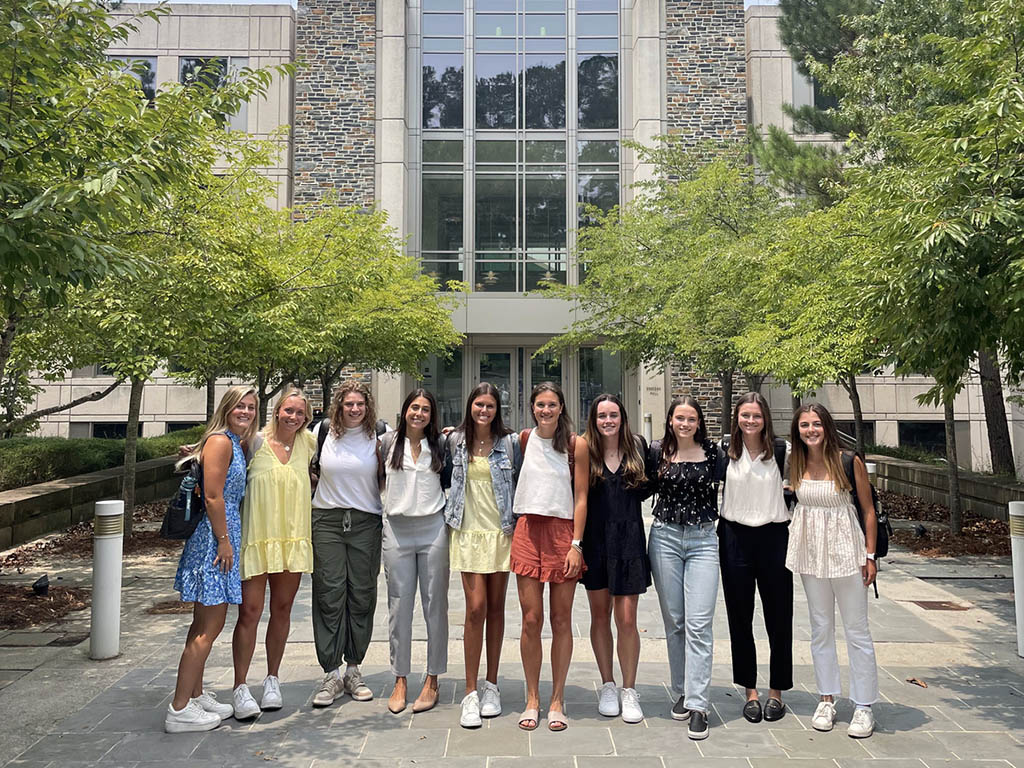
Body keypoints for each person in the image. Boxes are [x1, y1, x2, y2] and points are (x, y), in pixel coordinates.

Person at [165, 386, 257, 733]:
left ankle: (196, 694)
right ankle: (179, 708)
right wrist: (224, 541)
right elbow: (214, 495)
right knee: (208, 629)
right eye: (239, 406)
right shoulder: (221, 441)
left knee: (200, 625)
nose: (245, 411)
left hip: (219, 536)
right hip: (214, 540)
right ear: (227, 408)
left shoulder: (228, 441)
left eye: (250, 407)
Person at [786, 403, 879, 739]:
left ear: (826, 426)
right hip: (811, 552)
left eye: (816, 424)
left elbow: (868, 510)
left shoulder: (847, 460)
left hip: (846, 550)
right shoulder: (795, 462)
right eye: (804, 425)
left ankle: (864, 704)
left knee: (857, 629)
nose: (811, 430)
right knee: (820, 627)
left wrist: (870, 556)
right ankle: (826, 698)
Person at [230, 387, 315, 719]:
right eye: (288, 411)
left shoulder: (308, 444)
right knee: (249, 612)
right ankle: (240, 686)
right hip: (257, 539)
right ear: (277, 410)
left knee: (282, 610)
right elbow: (222, 454)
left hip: (292, 540)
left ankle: (272, 679)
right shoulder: (254, 442)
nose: (293, 417)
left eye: (300, 413)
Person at [510, 381, 587, 733]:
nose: (546, 410)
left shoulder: (575, 445)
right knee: (530, 619)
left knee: (560, 619)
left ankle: (557, 699)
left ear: (561, 407)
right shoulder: (524, 440)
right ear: (532, 407)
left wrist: (576, 544)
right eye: (540, 404)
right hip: (527, 529)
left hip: (562, 533)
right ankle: (532, 697)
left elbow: (582, 497)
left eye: (552, 404)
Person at [647, 396, 724, 741]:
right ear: (670, 420)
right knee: (675, 621)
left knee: (699, 623)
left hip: (704, 540)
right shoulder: (657, 451)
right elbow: (638, 484)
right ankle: (681, 689)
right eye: (679, 418)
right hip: (664, 537)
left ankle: (699, 704)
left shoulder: (714, 453)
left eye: (691, 418)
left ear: (699, 422)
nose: (685, 424)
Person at [442, 383, 519, 729]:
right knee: (475, 609)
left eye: (489, 405)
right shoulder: (455, 441)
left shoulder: (510, 443)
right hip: (468, 532)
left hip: (500, 533)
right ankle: (470, 691)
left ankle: (492, 685)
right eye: (478, 404)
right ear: (470, 406)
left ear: (497, 409)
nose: (483, 410)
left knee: (497, 608)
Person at [575, 394, 652, 724]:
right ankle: (607, 684)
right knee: (599, 615)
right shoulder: (584, 450)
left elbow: (652, 484)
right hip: (595, 541)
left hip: (629, 540)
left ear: (622, 417)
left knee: (627, 619)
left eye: (613, 415)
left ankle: (628, 689)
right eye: (602, 415)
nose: (608, 420)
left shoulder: (638, 447)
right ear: (593, 419)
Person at [718, 392, 793, 724]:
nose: (750, 421)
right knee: (740, 616)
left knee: (778, 617)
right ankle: (749, 690)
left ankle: (776, 690)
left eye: (756, 416)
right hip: (734, 536)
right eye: (745, 415)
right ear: (737, 418)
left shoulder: (781, 450)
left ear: (765, 419)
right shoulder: (725, 451)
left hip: (774, 537)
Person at [309, 381, 384, 708]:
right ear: (338, 406)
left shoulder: (381, 436)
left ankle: (354, 668)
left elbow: (420, 436)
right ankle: (331, 672)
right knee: (329, 592)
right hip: (327, 521)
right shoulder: (321, 433)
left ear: (368, 407)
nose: (354, 409)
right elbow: (274, 442)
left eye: (360, 404)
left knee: (362, 594)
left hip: (366, 523)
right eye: (348, 404)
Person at [380, 388, 449, 715]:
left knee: (435, 605)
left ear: (432, 415)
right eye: (414, 408)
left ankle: (433, 678)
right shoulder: (386, 443)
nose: (419, 414)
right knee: (399, 606)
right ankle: (400, 678)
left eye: (425, 409)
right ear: (405, 410)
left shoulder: (442, 445)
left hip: (433, 528)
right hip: (397, 529)